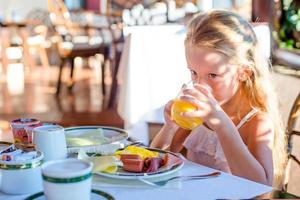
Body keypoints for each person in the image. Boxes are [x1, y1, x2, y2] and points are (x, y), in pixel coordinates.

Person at [151, 10, 286, 187]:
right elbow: (154, 163)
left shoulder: (255, 122)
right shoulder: (196, 115)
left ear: (243, 73)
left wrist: (221, 123)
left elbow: (261, 188)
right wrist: (169, 128)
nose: (200, 85)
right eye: (194, 72)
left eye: (213, 75)